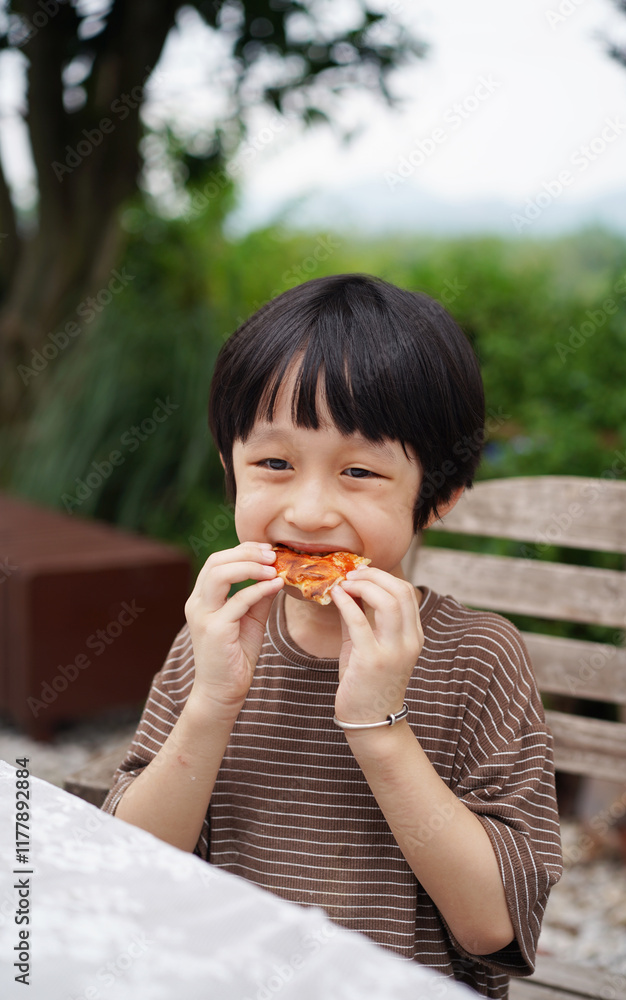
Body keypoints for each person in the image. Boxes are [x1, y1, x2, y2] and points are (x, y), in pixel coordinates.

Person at [101, 273, 562, 998]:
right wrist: (212, 703)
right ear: (231, 472)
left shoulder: (478, 658)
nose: (310, 511)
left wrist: (380, 725)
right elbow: (129, 868)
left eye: (358, 471)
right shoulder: (214, 637)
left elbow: (493, 926)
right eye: (274, 464)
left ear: (436, 497)